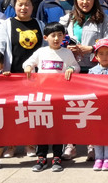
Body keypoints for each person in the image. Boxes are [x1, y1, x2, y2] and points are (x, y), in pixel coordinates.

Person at [22, 22, 78, 173]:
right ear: (46, 37)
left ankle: (57, 157)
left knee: (58, 129)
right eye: (53, 35)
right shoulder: (41, 52)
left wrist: (71, 68)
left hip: (59, 97)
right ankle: (41, 157)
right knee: (42, 128)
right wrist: (28, 67)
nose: (56, 38)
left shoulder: (67, 53)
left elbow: (76, 66)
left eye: (60, 35)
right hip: (43, 98)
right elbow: (28, 63)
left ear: (64, 37)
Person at [60, 0, 108, 72]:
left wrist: (92, 48)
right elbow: (57, 38)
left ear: (94, 0)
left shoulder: (104, 19)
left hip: (96, 68)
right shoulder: (68, 18)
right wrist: (66, 47)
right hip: (71, 67)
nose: (85, 2)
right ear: (76, 0)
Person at [88, 38, 108, 171]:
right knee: (97, 133)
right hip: (96, 107)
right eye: (101, 54)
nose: (104, 56)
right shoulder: (92, 72)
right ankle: (98, 157)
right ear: (96, 56)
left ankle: (107, 158)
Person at [0, 0, 45, 74]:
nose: (23, 8)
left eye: (27, 5)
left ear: (32, 7)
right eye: (20, 5)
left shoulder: (41, 25)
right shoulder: (6, 25)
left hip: (36, 74)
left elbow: (46, 47)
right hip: (12, 74)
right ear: (15, 6)